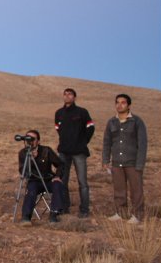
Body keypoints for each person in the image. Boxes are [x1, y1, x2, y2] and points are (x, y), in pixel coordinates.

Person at [102, 94, 148, 224]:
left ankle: (137, 215)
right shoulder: (111, 122)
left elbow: (142, 144)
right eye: (117, 102)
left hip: (133, 163)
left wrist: (140, 164)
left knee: (136, 190)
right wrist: (105, 160)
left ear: (128, 105)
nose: (119, 105)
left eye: (123, 102)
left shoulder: (137, 121)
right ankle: (120, 213)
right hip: (117, 163)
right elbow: (107, 142)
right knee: (119, 189)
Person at [54, 88, 95, 218]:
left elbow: (90, 127)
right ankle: (64, 207)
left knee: (82, 182)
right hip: (64, 152)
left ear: (74, 97)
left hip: (79, 152)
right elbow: (58, 129)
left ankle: (84, 210)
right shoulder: (59, 113)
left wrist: (83, 142)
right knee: (63, 180)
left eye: (70, 94)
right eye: (65, 94)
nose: (67, 96)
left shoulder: (82, 112)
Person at [18, 130, 66, 225]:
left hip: (48, 179)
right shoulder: (23, 153)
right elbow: (23, 171)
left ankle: (54, 215)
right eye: (27, 138)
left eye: (32, 139)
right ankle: (26, 217)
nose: (29, 141)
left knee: (58, 185)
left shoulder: (46, 150)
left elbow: (60, 164)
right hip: (34, 181)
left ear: (38, 141)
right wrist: (31, 160)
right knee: (31, 190)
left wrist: (57, 176)